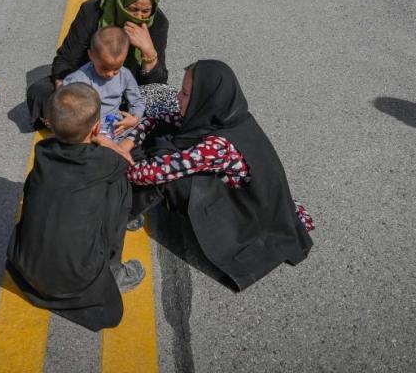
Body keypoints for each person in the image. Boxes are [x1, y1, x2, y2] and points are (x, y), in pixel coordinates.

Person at [126, 60, 313, 291]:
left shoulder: (218, 146)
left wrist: (121, 163)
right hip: (260, 201)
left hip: (247, 217)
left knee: (171, 175)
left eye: (185, 94)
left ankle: (126, 210)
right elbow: (162, 120)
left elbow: (155, 172)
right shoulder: (227, 116)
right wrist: (131, 138)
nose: (178, 99)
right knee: (165, 137)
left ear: (205, 98)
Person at [6, 83, 144, 331]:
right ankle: (114, 270)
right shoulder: (105, 162)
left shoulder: (43, 152)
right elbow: (125, 161)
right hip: (75, 280)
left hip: (25, 267)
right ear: (96, 127)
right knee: (119, 186)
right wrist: (106, 141)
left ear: (49, 123)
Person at [26, 0, 169, 130]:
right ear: (120, 1)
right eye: (132, 9)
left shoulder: (158, 23)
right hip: (87, 86)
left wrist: (148, 52)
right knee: (39, 92)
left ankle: (81, 125)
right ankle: (85, 122)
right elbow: (65, 59)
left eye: (145, 11)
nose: (139, 17)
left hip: (126, 90)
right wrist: (65, 97)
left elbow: (158, 83)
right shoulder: (93, 10)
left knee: (165, 99)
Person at [63, 26, 144, 142]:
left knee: (146, 125)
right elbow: (64, 107)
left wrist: (134, 118)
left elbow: (136, 101)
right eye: (105, 68)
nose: (111, 74)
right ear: (91, 55)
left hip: (117, 126)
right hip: (89, 130)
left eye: (116, 68)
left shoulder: (124, 75)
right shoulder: (79, 79)